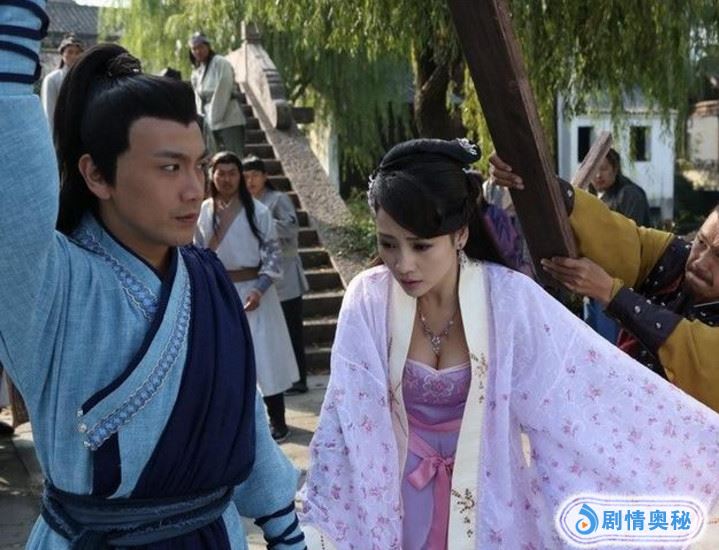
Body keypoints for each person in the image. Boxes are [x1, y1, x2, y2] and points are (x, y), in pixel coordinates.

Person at [299, 138, 719, 549]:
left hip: (489, 496)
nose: (403, 263)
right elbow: (346, 419)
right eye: (388, 243)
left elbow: (586, 393)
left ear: (460, 234)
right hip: (392, 497)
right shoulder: (369, 299)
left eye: (422, 245)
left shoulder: (509, 300)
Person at [0, 4, 303, 548]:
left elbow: (241, 418)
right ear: (97, 174)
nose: (194, 188)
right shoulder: (50, 285)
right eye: (169, 167)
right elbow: (10, 162)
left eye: (198, 164)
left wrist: (284, 527)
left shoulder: (207, 278)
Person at [489, 153, 719, 413]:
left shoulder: (631, 195)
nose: (701, 261)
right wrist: (543, 186)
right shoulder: (677, 257)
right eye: (701, 242)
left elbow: (698, 353)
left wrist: (611, 293)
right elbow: (622, 238)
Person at [195, 151, 299, 441]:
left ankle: (277, 419)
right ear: (212, 176)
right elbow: (196, 252)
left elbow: (273, 255)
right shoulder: (202, 211)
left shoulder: (258, 211)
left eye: (232, 173)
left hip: (256, 293)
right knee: (223, 359)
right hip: (219, 292)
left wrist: (259, 288)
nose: (226, 179)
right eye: (221, 173)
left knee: (265, 357)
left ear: (239, 176)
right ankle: (232, 423)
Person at [243, 155, 310, 395]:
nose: (250, 181)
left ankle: (299, 380)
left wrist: (263, 222)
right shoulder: (243, 204)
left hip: (287, 275)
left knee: (292, 329)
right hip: (261, 279)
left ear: (265, 177)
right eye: (246, 176)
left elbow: (291, 227)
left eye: (255, 175)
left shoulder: (278, 199)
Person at [582, 148, 652, 343]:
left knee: (611, 343)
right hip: (594, 278)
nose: (598, 175)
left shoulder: (630, 195)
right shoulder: (593, 196)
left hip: (619, 282)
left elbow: (632, 239)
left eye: (603, 169)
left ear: (615, 168)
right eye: (594, 170)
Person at [188, 32, 246, 156]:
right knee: (215, 158)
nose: (197, 51)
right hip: (209, 120)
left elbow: (224, 87)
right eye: (194, 49)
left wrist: (214, 117)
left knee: (234, 157)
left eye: (200, 47)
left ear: (208, 46)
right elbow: (198, 98)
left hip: (228, 117)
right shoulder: (197, 71)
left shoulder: (220, 62)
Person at [41, 33, 83, 139]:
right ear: (62, 54)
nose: (74, 56)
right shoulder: (52, 79)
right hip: (61, 134)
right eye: (70, 52)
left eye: (78, 53)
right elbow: (49, 113)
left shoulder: (87, 78)